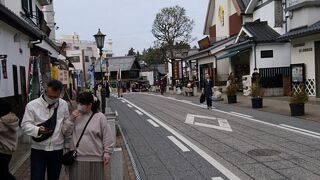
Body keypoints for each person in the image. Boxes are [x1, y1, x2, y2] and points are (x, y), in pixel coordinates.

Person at [21, 80, 70, 180]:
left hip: (57, 149)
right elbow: (25, 124)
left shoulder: (63, 104)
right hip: (38, 149)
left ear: (60, 93)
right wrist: (37, 130)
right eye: (50, 96)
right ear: (45, 91)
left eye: (55, 97)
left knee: (54, 177)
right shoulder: (32, 105)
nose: (52, 99)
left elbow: (66, 124)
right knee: (37, 177)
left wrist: (67, 144)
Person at [62, 92, 114, 180]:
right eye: (78, 103)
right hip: (77, 159)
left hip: (96, 158)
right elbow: (65, 133)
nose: (79, 106)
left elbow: (107, 136)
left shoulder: (100, 117)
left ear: (89, 104)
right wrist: (71, 119)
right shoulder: (75, 116)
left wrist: (107, 152)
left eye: (82, 104)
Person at [0, 100, 19, 180]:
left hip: (2, 151)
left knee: (3, 173)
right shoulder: (11, 118)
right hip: (8, 151)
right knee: (3, 172)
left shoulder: (2, 122)